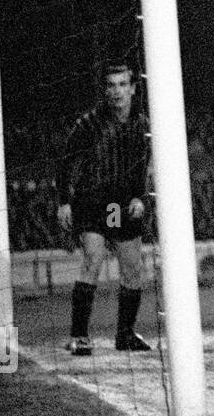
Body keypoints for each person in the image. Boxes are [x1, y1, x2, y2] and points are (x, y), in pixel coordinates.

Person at [57, 62, 152, 355]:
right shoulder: (89, 123)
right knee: (93, 259)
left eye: (123, 84)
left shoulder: (144, 125)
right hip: (93, 202)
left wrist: (142, 198)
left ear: (133, 88)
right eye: (111, 85)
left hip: (124, 204)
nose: (117, 91)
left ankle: (125, 335)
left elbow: (147, 168)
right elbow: (64, 162)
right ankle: (79, 336)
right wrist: (64, 201)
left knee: (133, 269)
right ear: (105, 90)